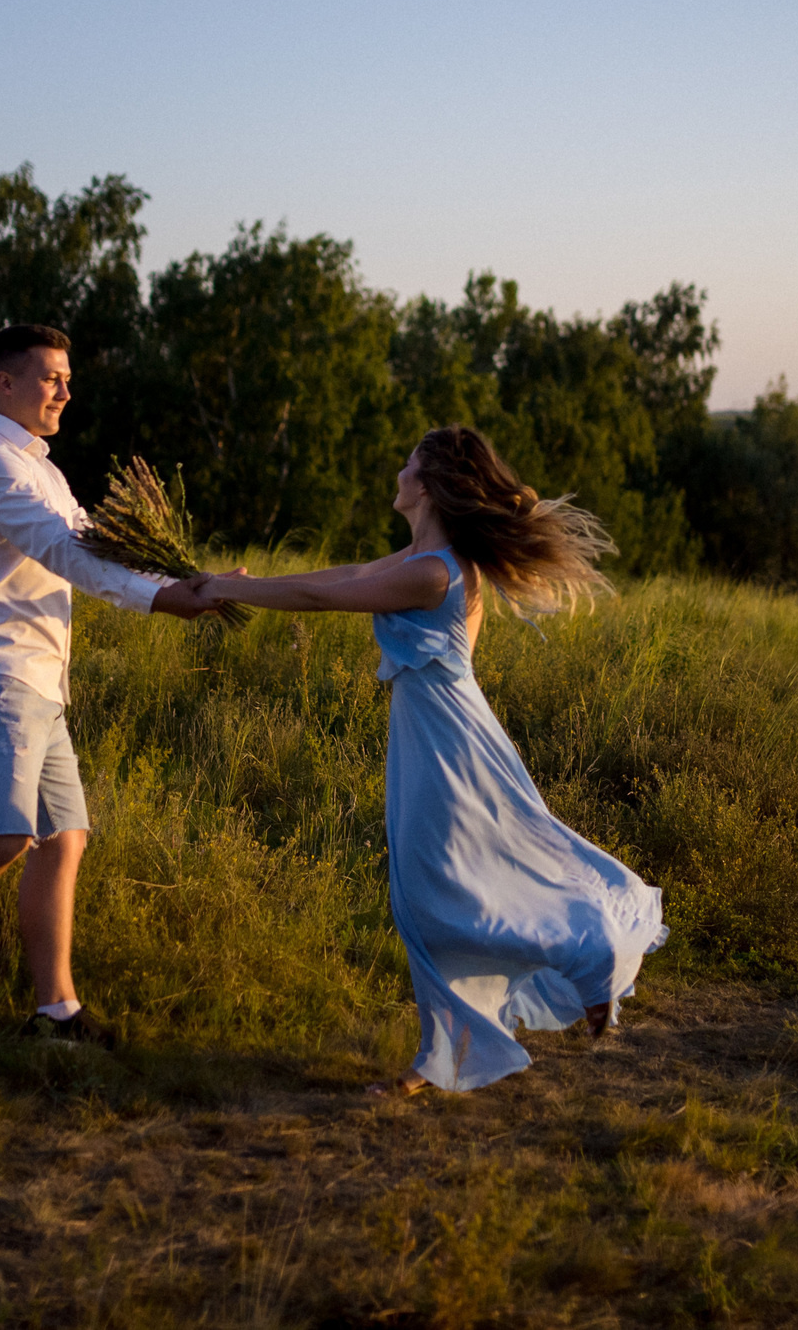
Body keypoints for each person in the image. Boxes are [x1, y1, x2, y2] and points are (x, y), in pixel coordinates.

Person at [197, 426, 666, 1096]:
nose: (398, 470)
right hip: (432, 734)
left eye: (407, 462)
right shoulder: (424, 557)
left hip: (450, 741)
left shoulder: (434, 571)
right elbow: (347, 576)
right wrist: (237, 582)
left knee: (433, 894)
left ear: (428, 483)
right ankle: (450, 1048)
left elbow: (324, 598)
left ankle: (585, 958)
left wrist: (228, 588)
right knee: (442, 888)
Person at [0, 323, 220, 1042]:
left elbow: (95, 545)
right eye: (52, 377)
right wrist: (169, 601)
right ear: (7, 382)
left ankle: (57, 1011)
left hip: (39, 683)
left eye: (66, 378)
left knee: (65, 838)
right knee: (2, 836)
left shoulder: (44, 469)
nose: (65, 390)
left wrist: (189, 580)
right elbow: (64, 554)